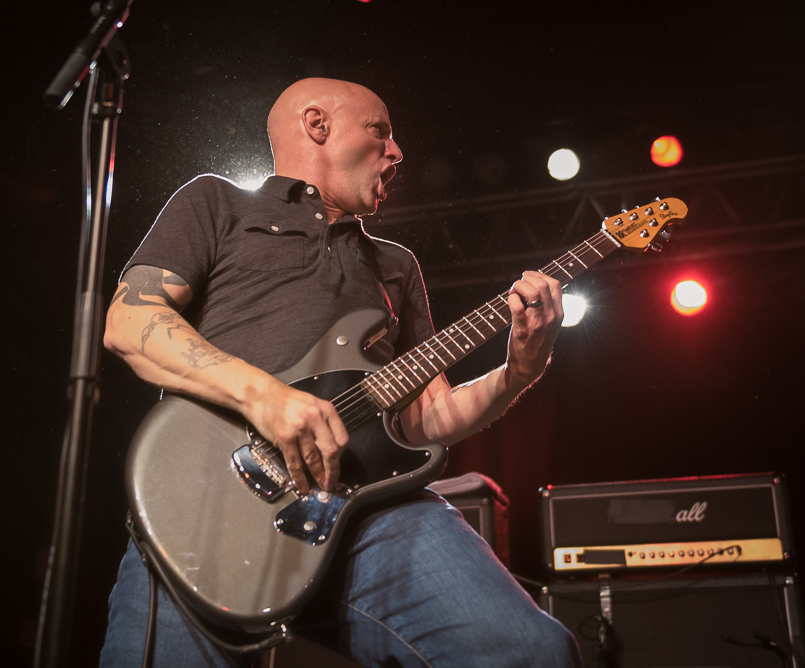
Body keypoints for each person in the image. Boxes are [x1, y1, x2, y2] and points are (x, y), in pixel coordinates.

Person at [99, 78, 580, 667]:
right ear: (318, 126)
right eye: (381, 131)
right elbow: (129, 321)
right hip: (204, 510)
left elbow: (430, 417)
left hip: (371, 514)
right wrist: (264, 397)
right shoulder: (216, 203)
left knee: (533, 652)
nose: (398, 152)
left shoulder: (395, 265)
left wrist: (519, 370)